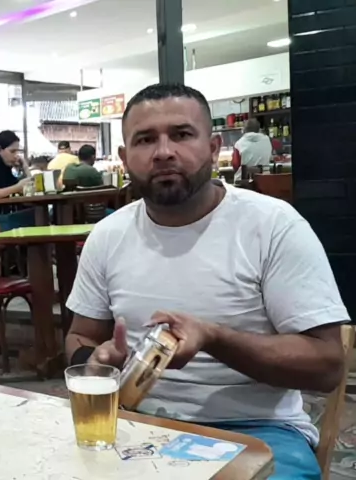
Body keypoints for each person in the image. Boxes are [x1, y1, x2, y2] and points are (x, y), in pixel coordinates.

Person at [65, 83, 347, 480]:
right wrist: (93, 361)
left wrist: (215, 338)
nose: (164, 151)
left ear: (214, 148)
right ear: (125, 158)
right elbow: (80, 336)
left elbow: (327, 366)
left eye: (181, 134)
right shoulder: (108, 236)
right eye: (145, 140)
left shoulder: (273, 225)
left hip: (258, 431)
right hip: (136, 424)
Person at [232, 118, 272, 182]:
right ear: (259, 129)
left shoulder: (239, 144)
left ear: (244, 130)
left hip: (244, 183)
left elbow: (235, 165)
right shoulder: (267, 139)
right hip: (265, 181)